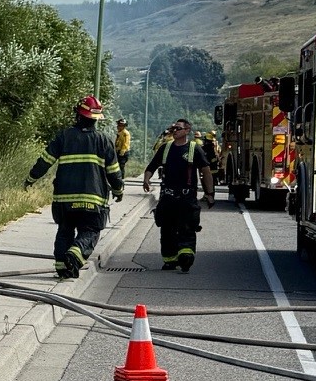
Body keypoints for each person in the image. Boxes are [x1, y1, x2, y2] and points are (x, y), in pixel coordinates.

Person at [29, 94, 124, 278]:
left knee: (65, 230)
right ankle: (76, 253)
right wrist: (118, 190)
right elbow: (114, 172)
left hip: (64, 200)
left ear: (78, 115)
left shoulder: (64, 136)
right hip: (93, 199)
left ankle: (62, 266)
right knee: (90, 231)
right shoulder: (103, 140)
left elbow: (45, 161)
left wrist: (31, 178)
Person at [143, 116, 216, 272]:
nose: (174, 131)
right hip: (168, 197)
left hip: (186, 198)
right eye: (173, 128)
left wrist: (210, 194)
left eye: (178, 128)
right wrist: (146, 179)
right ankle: (170, 259)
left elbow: (206, 172)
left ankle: (186, 256)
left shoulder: (194, 149)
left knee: (187, 228)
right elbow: (152, 166)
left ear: (187, 130)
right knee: (167, 230)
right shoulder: (165, 148)